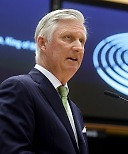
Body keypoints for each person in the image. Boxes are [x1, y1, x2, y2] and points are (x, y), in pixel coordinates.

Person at [0, 9, 89, 154]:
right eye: (68, 37)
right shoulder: (20, 88)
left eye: (82, 41)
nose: (78, 47)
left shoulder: (75, 110)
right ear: (42, 43)